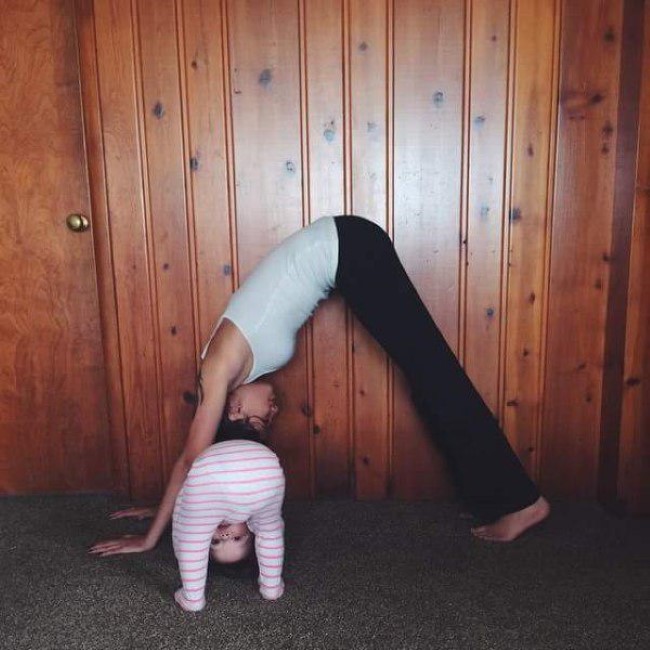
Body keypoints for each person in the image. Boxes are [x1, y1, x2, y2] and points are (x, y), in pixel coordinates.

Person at [90, 215, 549, 566]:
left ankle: (523, 503)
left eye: (255, 420)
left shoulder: (216, 372)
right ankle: (498, 500)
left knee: (433, 372)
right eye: (266, 423)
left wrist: (153, 535)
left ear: (231, 408)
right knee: (428, 378)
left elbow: (194, 457)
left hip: (351, 248)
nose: (271, 414)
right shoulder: (228, 374)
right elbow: (205, 464)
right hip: (349, 251)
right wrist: (168, 507)